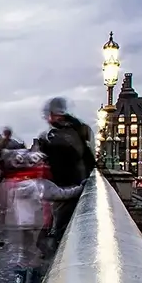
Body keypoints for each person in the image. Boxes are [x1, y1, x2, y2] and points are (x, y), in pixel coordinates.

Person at [0, 150, 84, 283]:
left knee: (22, 253)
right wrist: (80, 188)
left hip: (21, 224)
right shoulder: (42, 184)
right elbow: (62, 195)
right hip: (38, 224)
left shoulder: (17, 183)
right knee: (36, 254)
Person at [40, 97, 96, 244]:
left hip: (68, 188)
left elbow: (59, 168)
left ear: (54, 115)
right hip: (80, 184)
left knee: (63, 232)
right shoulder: (80, 129)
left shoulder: (57, 137)